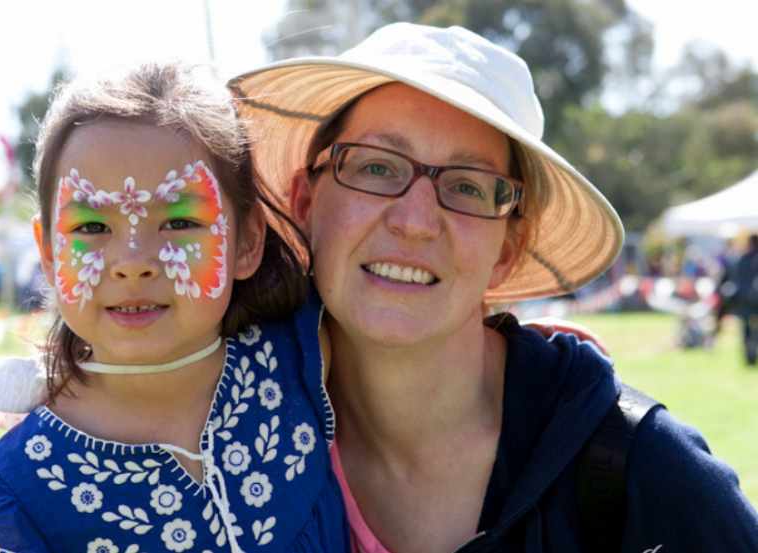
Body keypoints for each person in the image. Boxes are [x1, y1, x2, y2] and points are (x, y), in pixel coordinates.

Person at [231, 23, 758, 552]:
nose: (415, 220)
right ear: (304, 206)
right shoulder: (231, 438)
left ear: (507, 249)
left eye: (466, 186)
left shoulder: (643, 468)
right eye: (375, 167)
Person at [0, 60, 349, 553]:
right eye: (92, 228)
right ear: (50, 254)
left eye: (179, 222)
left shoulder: (304, 355)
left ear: (245, 242)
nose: (133, 264)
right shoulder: (21, 493)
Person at [726, 234, 758, 365]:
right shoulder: (743, 258)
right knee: (748, 328)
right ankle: (749, 354)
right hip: (747, 300)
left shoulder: (745, 258)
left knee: (749, 328)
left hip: (749, 299)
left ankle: (750, 353)